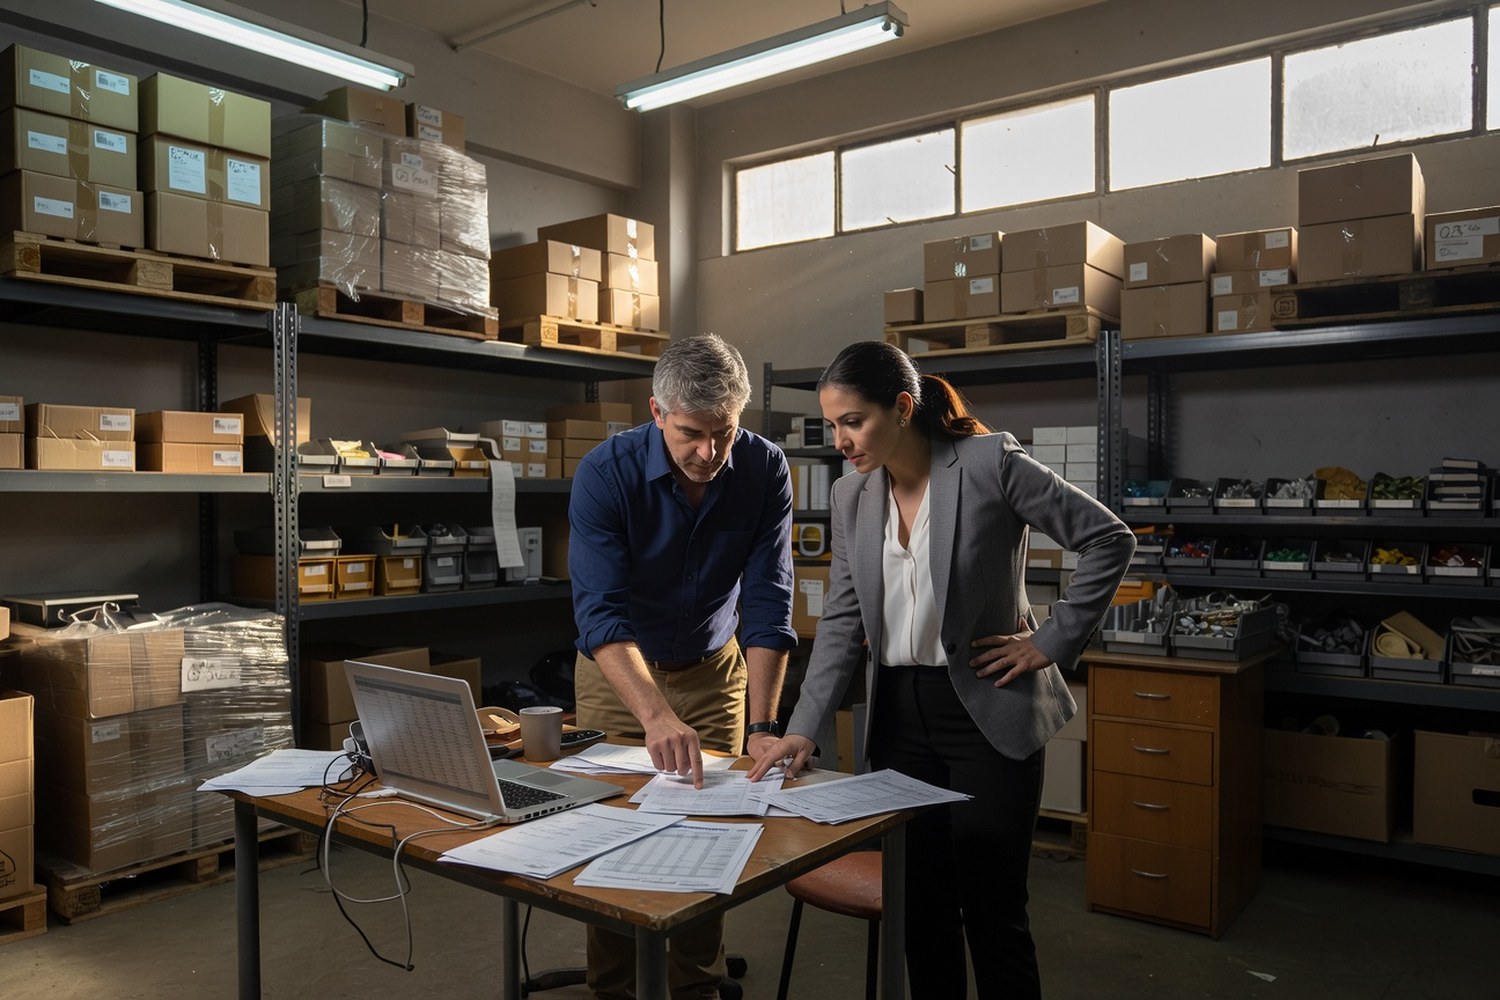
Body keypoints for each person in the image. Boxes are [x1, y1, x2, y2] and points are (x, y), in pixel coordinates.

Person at [747, 340, 1134, 1000]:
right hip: (898, 717)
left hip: (988, 708)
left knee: (993, 913)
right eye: (832, 424)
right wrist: (803, 728)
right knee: (919, 912)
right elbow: (842, 623)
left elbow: (1108, 538)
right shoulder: (851, 496)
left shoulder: (989, 463)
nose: (840, 439)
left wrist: (1053, 641)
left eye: (854, 421)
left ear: (902, 408)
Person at [568, 332, 797, 1000]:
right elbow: (601, 614)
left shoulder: (764, 469)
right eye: (691, 433)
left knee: (710, 836)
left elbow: (768, 602)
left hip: (716, 669)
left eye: (723, 435)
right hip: (622, 676)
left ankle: (695, 984)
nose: (708, 453)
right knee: (611, 833)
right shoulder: (605, 474)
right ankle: (612, 986)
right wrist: (655, 714)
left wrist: (764, 722)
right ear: (657, 412)